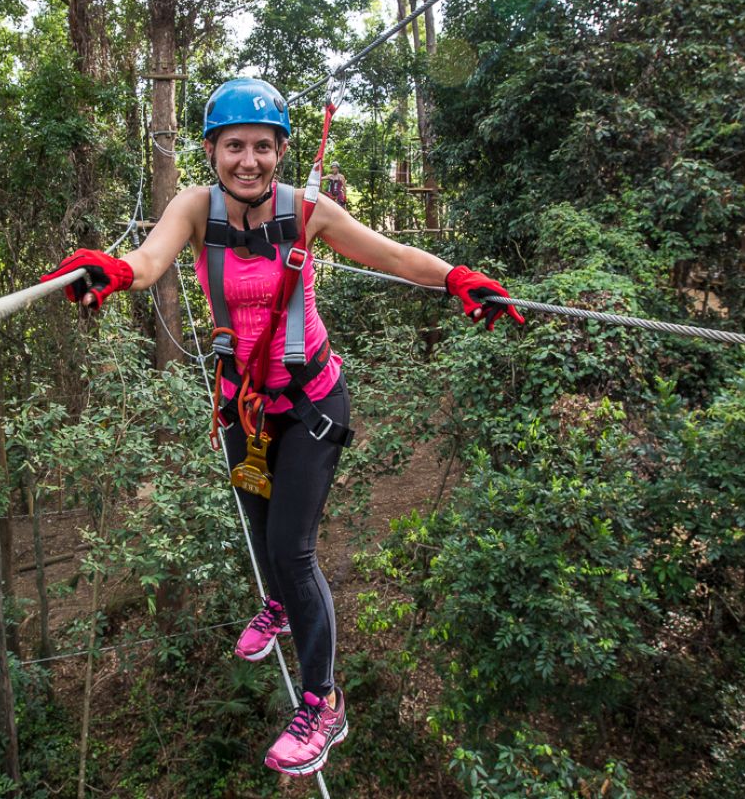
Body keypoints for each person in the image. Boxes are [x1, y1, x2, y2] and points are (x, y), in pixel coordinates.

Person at [42, 77, 522, 777]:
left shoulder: (309, 212)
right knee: (261, 528)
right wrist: (114, 269)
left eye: (262, 147)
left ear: (282, 151)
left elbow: (388, 255)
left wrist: (457, 278)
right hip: (244, 406)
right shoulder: (193, 209)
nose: (248, 160)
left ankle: (323, 701)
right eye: (233, 145)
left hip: (311, 403)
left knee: (293, 550)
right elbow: (149, 262)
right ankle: (278, 608)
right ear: (211, 151)